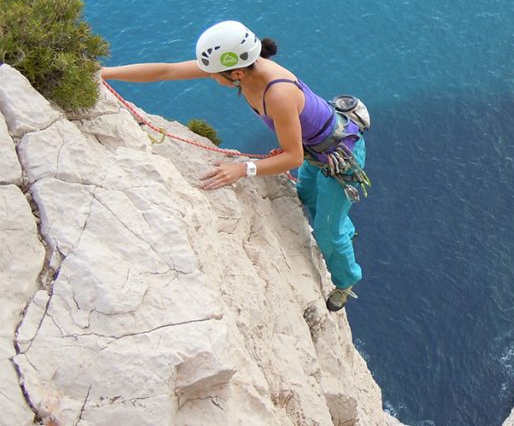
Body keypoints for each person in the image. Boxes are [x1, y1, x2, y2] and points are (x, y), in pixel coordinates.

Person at [102, 20, 366, 311]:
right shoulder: (243, 67)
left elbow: (292, 158)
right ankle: (342, 225)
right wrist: (105, 73)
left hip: (340, 159)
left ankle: (346, 280)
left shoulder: (278, 93)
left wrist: (243, 169)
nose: (211, 77)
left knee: (327, 232)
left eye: (215, 74)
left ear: (237, 73)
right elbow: (166, 71)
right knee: (307, 197)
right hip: (314, 149)